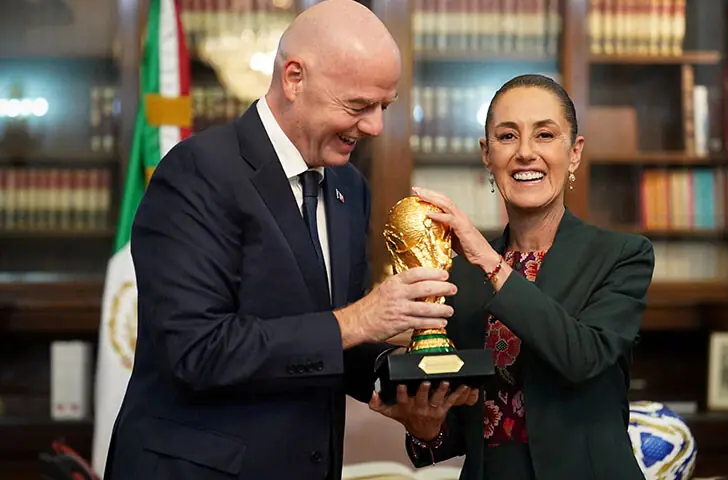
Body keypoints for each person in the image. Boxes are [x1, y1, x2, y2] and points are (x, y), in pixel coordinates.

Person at [102, 1, 472, 479]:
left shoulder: (349, 187)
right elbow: (197, 350)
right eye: (358, 106)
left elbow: (335, 335)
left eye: (385, 106)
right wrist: (362, 318)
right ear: (294, 79)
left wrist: (404, 385)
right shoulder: (197, 172)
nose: (376, 126)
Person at [369, 74, 655, 479]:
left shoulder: (621, 256)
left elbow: (582, 358)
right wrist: (427, 428)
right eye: (507, 137)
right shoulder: (458, 274)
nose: (525, 153)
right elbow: (465, 415)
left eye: (544, 135)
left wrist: (490, 261)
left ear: (574, 153)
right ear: (487, 154)